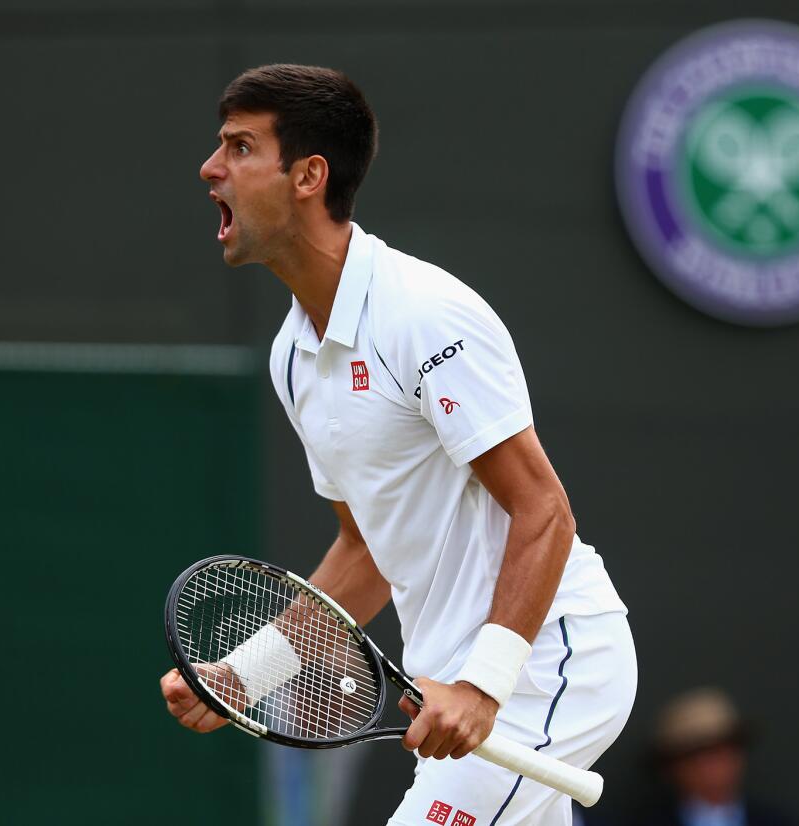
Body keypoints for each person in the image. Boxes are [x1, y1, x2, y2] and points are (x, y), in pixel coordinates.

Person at [160, 64, 636, 825]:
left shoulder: (424, 315)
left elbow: (543, 509)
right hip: (453, 692)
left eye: (240, 147)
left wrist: (483, 687)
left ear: (308, 176)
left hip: (549, 668)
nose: (211, 167)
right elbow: (366, 552)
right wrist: (248, 675)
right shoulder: (293, 355)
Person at [637, 688, 798, 826]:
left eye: (722, 750)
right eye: (697, 755)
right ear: (672, 768)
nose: (712, 766)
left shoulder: (776, 821)